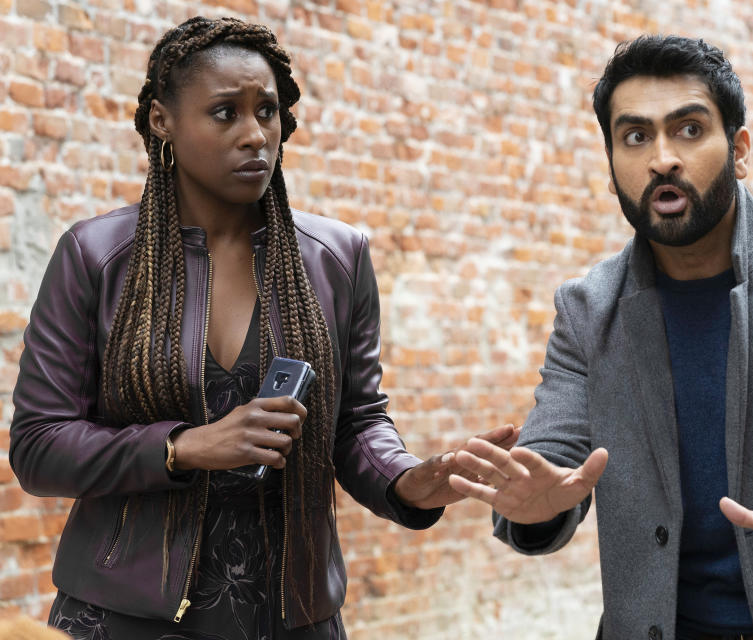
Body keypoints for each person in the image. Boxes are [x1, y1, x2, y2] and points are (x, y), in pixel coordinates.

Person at [9, 16, 517, 640]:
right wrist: (183, 447)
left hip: (292, 617)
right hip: (123, 617)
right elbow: (39, 445)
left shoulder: (336, 258)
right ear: (162, 121)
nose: (256, 135)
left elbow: (357, 421)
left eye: (268, 112)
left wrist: (407, 480)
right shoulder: (98, 257)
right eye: (225, 113)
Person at [449, 35, 753, 640]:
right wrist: (536, 508)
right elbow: (554, 456)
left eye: (688, 130)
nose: (662, 158)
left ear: (738, 150)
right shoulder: (586, 310)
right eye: (635, 137)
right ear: (611, 168)